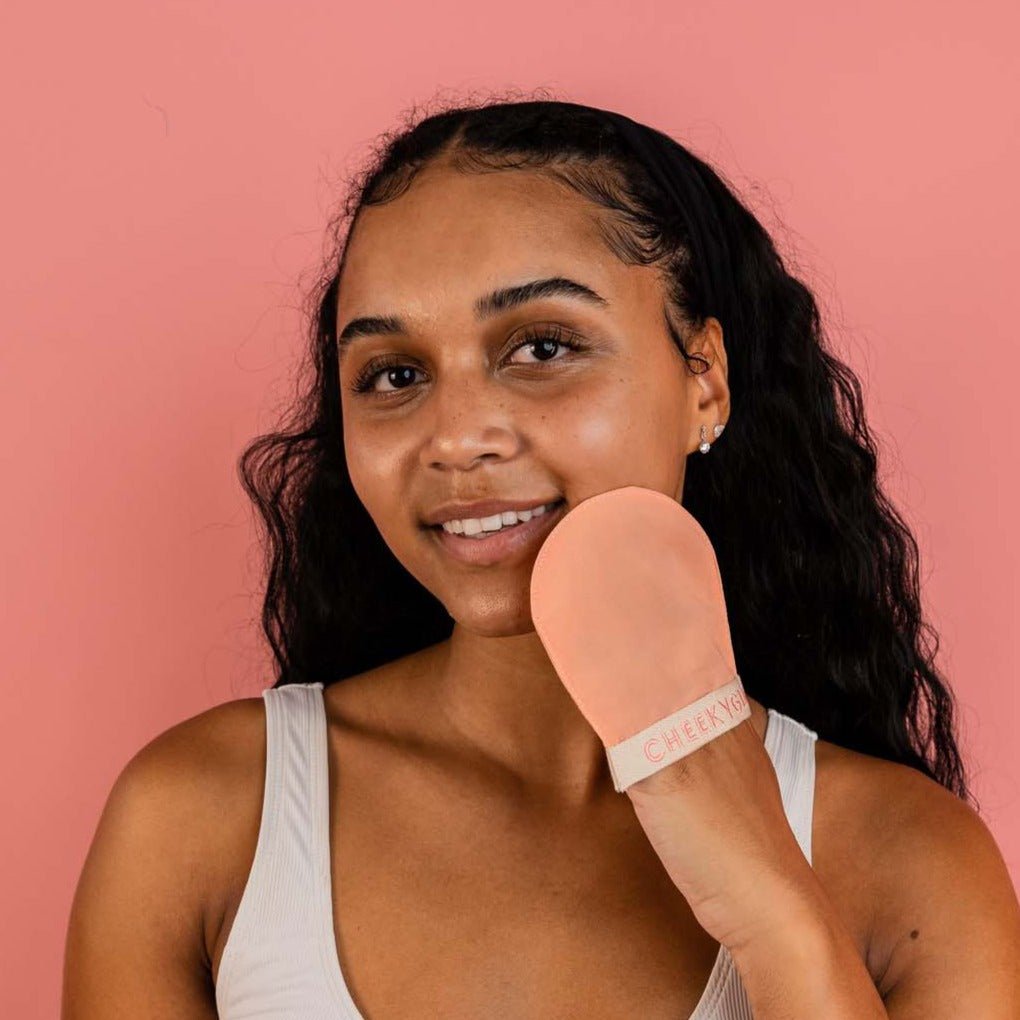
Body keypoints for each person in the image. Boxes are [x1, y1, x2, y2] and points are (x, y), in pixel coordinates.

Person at [62, 95, 1020, 1018]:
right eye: (394, 374)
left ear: (705, 384)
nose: (457, 437)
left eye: (542, 347)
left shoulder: (912, 864)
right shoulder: (201, 820)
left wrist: (771, 905)